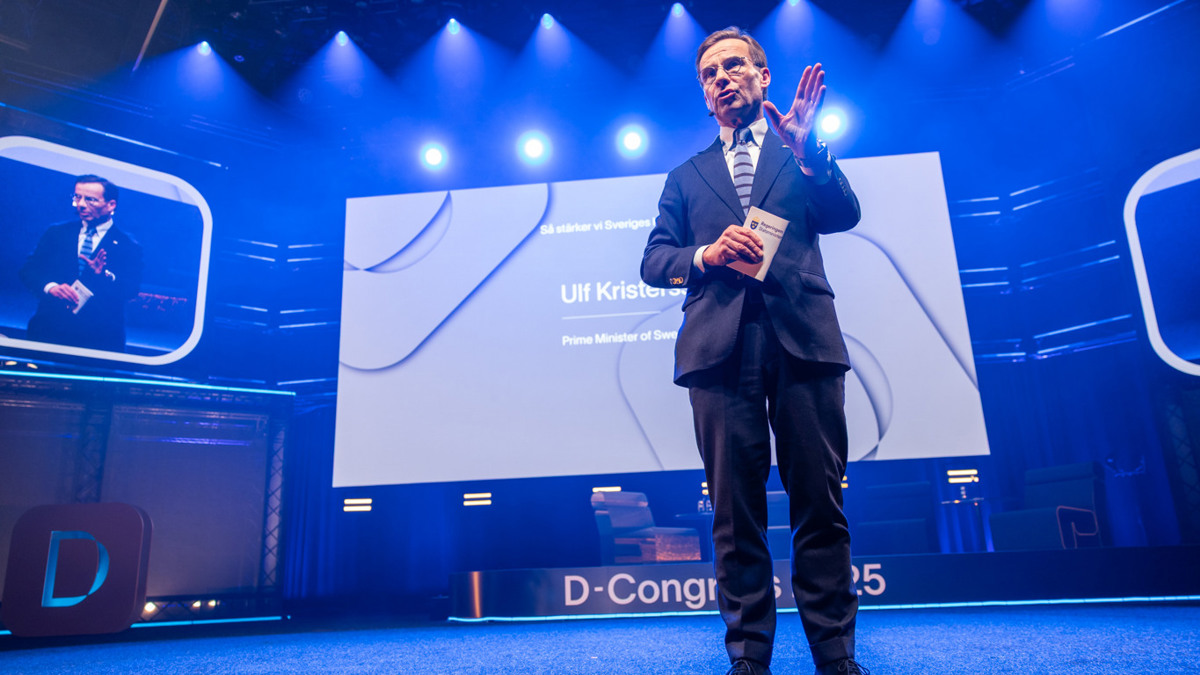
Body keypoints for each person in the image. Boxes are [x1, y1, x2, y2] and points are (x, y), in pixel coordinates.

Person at [641, 28, 867, 675]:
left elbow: (845, 213)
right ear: (704, 93)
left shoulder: (799, 153)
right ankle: (747, 659)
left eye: (734, 65)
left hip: (804, 340)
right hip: (718, 352)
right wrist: (706, 254)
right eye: (709, 73)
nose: (722, 78)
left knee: (819, 503)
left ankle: (836, 657)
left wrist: (810, 153)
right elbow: (654, 261)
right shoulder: (685, 177)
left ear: (762, 77)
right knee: (735, 516)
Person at [19, 174, 143, 352]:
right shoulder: (57, 233)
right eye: (78, 197)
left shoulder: (128, 246)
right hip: (48, 331)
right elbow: (29, 270)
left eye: (90, 199)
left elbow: (131, 289)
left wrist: (104, 275)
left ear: (111, 205)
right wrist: (51, 287)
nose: (81, 204)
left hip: (98, 340)